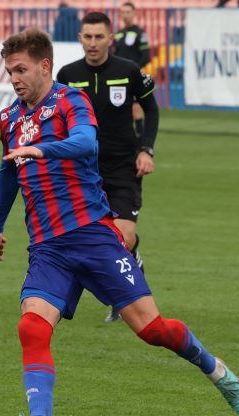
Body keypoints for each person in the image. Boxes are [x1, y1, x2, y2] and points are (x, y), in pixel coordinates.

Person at [0, 28, 239, 416]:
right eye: (9, 71)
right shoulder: (9, 119)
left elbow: (85, 142)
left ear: (44, 66)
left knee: (153, 330)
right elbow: (7, 172)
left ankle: (216, 369)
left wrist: (43, 150)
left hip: (94, 237)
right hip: (48, 247)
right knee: (31, 327)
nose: (14, 78)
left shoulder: (71, 101)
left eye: (21, 70)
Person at [57, 12, 159, 323]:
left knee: (123, 237)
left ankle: (132, 263)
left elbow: (152, 110)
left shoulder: (128, 71)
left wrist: (146, 150)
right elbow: (57, 120)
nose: (93, 43)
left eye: (99, 37)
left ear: (110, 39)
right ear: (80, 38)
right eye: (87, 37)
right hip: (83, 172)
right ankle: (118, 294)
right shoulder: (67, 75)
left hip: (124, 167)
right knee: (89, 239)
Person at [114, 2, 149, 141]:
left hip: (133, 77)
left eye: (128, 12)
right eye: (123, 12)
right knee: (118, 107)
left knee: (136, 109)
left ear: (134, 14)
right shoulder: (118, 35)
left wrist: (133, 70)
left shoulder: (140, 33)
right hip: (118, 78)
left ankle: (141, 142)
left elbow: (146, 56)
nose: (125, 15)